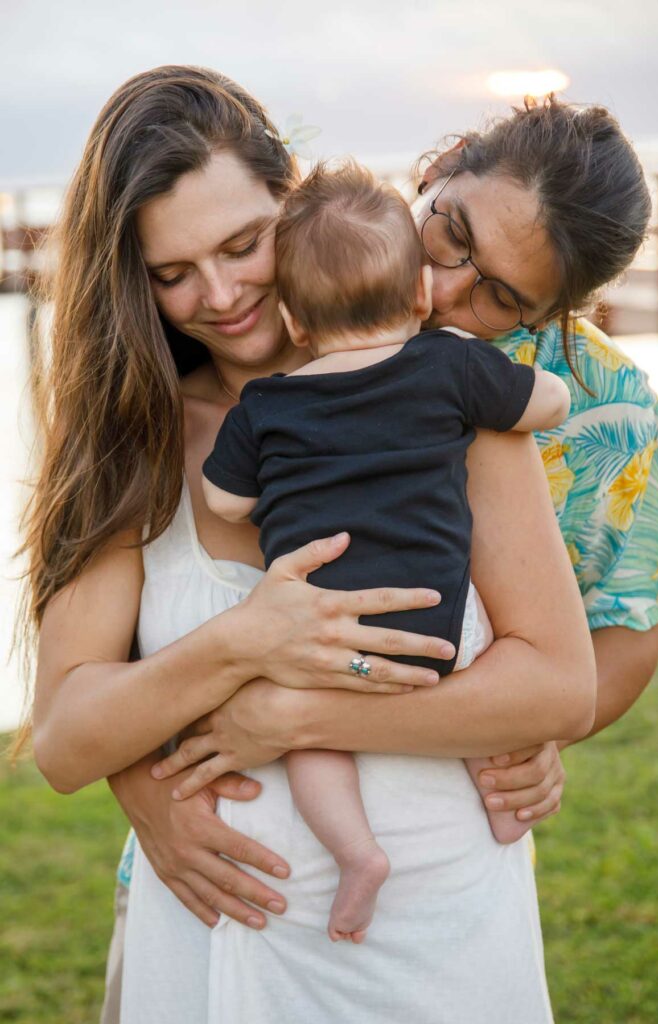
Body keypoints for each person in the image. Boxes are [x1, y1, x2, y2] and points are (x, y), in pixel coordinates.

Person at [19, 67, 658, 1023]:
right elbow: (67, 738)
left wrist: (288, 717)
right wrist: (239, 650)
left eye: (245, 245)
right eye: (170, 274)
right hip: (202, 935)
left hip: (427, 940)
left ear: (298, 204)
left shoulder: (455, 398)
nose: (222, 292)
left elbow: (568, 675)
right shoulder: (140, 436)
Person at [201, 159, 571, 943]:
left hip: (322, 635)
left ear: (295, 324)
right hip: (436, 624)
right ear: (416, 296)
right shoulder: (447, 364)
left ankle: (355, 852)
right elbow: (544, 403)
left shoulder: (268, 403)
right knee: (474, 686)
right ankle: (502, 810)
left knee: (314, 744)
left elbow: (222, 501)